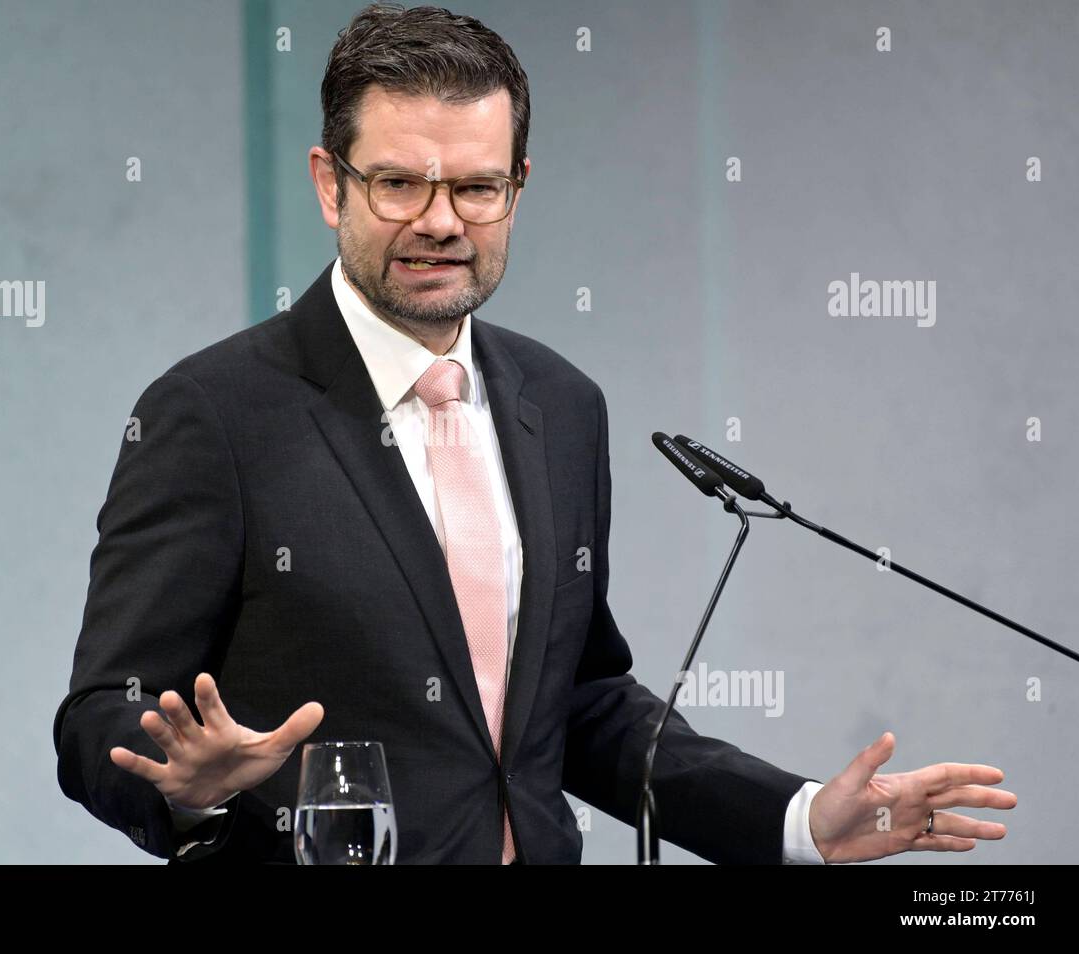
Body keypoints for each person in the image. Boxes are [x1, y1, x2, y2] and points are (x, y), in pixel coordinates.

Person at [52, 2, 1015, 864]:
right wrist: (182, 786)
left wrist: (795, 819)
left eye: (475, 188)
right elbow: (100, 715)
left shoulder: (560, 404)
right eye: (398, 185)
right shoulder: (212, 413)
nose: (441, 223)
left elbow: (578, 705)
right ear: (328, 185)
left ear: (517, 185)